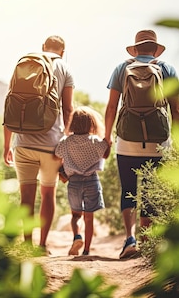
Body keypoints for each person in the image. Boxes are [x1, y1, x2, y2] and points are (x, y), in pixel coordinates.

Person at [104, 29, 179, 259]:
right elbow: (176, 110)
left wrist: (107, 137)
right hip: (158, 142)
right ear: (155, 49)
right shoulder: (167, 69)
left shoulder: (122, 68)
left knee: (128, 191)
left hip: (127, 141)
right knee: (151, 192)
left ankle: (130, 240)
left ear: (136, 49)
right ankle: (147, 241)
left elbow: (111, 107)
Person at [3, 35, 75, 254]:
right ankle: (42, 246)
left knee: (26, 196)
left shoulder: (25, 63)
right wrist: (64, 137)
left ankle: (26, 244)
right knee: (48, 194)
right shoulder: (65, 68)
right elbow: (68, 108)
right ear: (63, 51)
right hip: (51, 146)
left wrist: (7, 145)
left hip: (22, 143)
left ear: (43, 47)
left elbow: (10, 106)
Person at [55, 106, 109, 256]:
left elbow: (57, 153)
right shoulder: (95, 141)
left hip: (74, 182)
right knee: (89, 217)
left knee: (75, 215)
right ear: (91, 124)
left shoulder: (66, 142)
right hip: (92, 180)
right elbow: (105, 151)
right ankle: (86, 250)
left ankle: (77, 237)